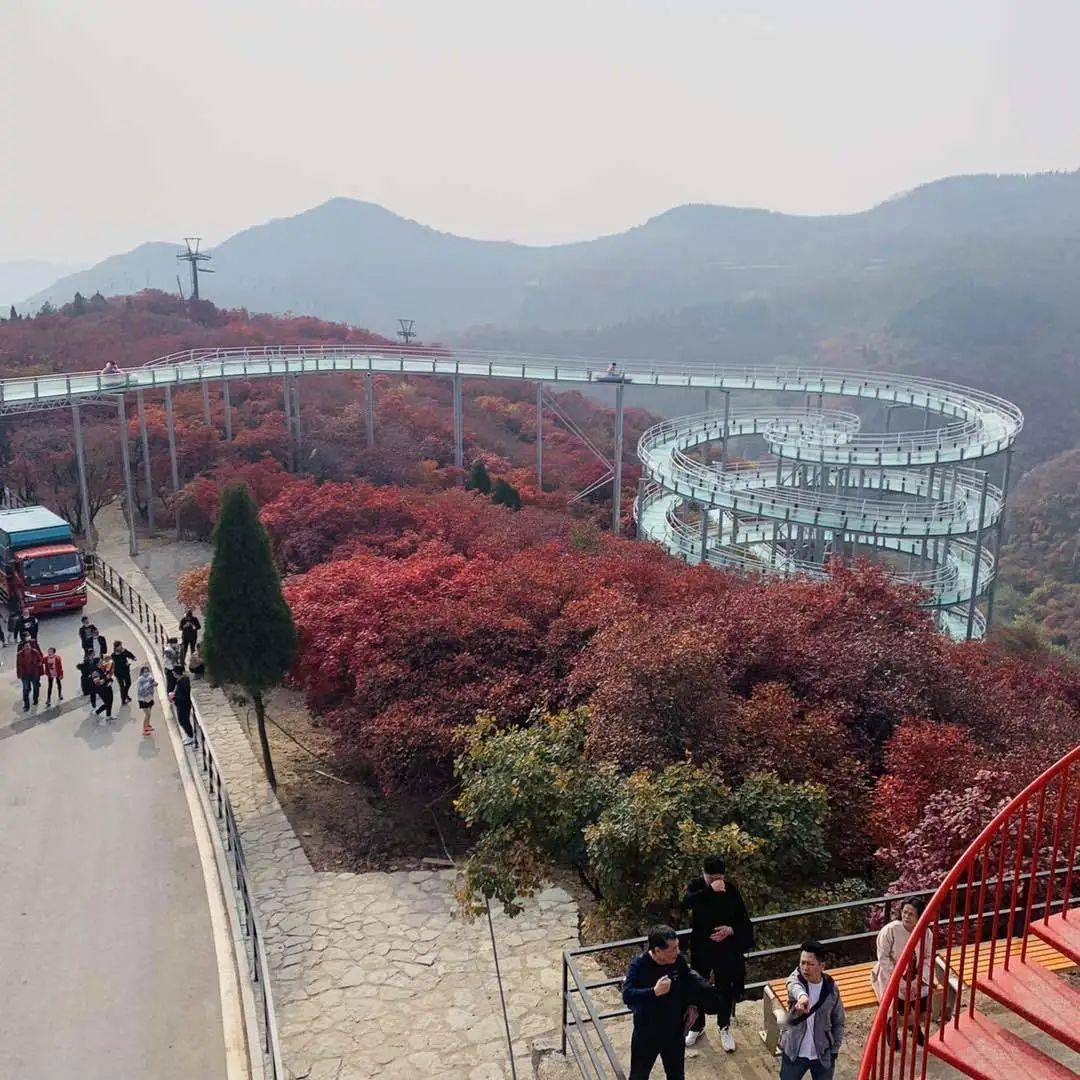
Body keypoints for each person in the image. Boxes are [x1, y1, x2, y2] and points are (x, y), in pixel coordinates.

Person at [622, 925, 720, 1080]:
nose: (677, 952)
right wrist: (654, 992)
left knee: (676, 1076)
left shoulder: (677, 960)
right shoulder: (639, 966)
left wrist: (696, 1002)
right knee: (638, 1076)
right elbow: (627, 996)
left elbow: (688, 979)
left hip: (674, 1031)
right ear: (657, 950)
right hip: (647, 1033)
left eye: (677, 947)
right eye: (672, 949)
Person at [682, 854, 754, 1052]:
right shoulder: (697, 886)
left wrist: (731, 930)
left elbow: (744, 920)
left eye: (718, 878)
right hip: (701, 947)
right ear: (703, 875)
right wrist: (709, 890)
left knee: (725, 988)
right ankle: (697, 1026)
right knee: (697, 986)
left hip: (726, 948)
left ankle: (724, 1027)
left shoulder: (731, 890)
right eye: (711, 878)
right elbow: (685, 904)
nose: (716, 882)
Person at [778, 942, 846, 1080]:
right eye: (802, 963)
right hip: (794, 1052)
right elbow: (793, 986)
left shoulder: (831, 988)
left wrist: (834, 1050)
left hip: (822, 1054)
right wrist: (802, 997)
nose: (804, 968)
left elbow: (838, 1020)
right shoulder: (795, 979)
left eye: (810, 964)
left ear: (822, 966)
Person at [871, 898, 933, 1049]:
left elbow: (927, 957)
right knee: (895, 1004)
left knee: (922, 1003)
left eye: (911, 914)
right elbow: (883, 957)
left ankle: (914, 1026)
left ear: (919, 916)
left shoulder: (926, 932)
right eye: (904, 912)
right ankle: (890, 1029)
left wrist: (920, 977)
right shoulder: (890, 930)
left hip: (916, 974)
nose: (906, 916)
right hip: (890, 974)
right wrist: (899, 978)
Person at [16, 635, 44, 711]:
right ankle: (26, 705)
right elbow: (18, 665)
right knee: (25, 689)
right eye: (26, 646)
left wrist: (39, 664)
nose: (27, 647)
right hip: (25, 675)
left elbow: (40, 659)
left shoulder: (35, 652)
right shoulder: (19, 655)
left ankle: (35, 699)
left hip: (34, 673)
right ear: (23, 647)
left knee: (36, 687)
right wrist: (19, 675)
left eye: (28, 646)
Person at [170, 665, 194, 746]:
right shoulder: (182, 679)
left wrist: (174, 696)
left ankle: (190, 736)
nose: (173, 673)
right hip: (183, 703)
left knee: (183, 720)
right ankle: (189, 735)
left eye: (173, 672)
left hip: (183, 704)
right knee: (183, 720)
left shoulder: (181, 681)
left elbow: (182, 694)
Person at [110, 640, 136, 705]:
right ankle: (123, 700)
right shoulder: (113, 656)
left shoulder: (123, 651)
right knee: (122, 686)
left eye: (121, 645)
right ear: (116, 647)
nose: (121, 647)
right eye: (119, 646)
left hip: (126, 671)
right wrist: (126, 664)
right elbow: (118, 664)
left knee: (128, 683)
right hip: (118, 673)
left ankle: (125, 694)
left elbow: (129, 654)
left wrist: (133, 657)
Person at [135, 665, 157, 736]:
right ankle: (144, 729)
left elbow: (153, 683)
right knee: (147, 714)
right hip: (143, 699)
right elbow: (140, 690)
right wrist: (149, 684)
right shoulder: (140, 679)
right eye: (145, 672)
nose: (146, 673)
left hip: (149, 697)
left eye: (147, 671)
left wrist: (154, 684)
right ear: (142, 672)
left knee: (149, 713)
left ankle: (148, 725)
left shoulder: (150, 677)